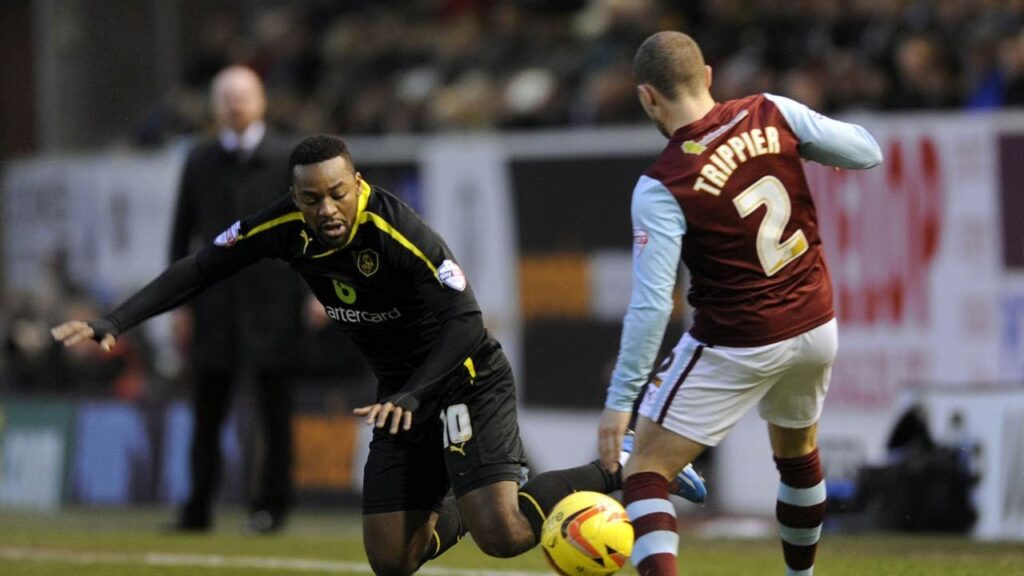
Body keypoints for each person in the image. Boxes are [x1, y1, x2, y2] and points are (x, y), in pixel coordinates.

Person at [53, 134, 644, 575]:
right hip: (399, 397)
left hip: (462, 380)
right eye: (313, 198)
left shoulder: (403, 233)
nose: (328, 208)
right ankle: (461, 491)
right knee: (391, 561)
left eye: (338, 192)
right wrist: (114, 321)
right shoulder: (283, 226)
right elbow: (202, 267)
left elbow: (467, 324)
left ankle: (621, 468)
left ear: (357, 183)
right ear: (296, 197)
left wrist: (415, 392)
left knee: (506, 534)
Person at [595, 31, 883, 576]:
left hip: (740, 339)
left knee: (647, 472)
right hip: (815, 325)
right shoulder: (769, 110)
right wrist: (806, 147)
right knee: (798, 456)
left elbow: (654, 305)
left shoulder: (663, 183)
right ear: (706, 76)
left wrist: (621, 399)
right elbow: (865, 151)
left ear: (647, 98)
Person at [168, 65, 305, 533]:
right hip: (215, 306)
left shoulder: (288, 157)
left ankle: (272, 508)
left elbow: (311, 230)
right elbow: (181, 235)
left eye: (244, 95)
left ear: (261, 100)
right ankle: (198, 509)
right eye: (226, 96)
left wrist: (315, 291)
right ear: (214, 106)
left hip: (274, 304)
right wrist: (180, 303)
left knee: (274, 412)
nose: (235, 104)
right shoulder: (200, 160)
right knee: (206, 413)